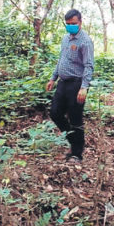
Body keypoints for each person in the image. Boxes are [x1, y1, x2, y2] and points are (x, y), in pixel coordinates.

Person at [46, 9, 94, 163]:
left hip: (77, 83)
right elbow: (61, 60)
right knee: (55, 113)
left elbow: (88, 65)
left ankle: (77, 153)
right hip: (63, 82)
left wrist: (84, 87)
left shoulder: (85, 41)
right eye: (68, 24)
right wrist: (53, 78)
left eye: (73, 24)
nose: (71, 26)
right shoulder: (65, 38)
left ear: (80, 22)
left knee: (75, 118)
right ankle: (73, 140)